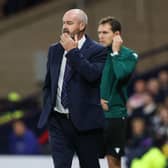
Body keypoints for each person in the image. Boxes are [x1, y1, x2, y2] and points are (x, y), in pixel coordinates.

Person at [38, 9, 107, 168]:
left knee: (89, 165)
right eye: (63, 22)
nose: (64, 26)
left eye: (69, 23)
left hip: (84, 123)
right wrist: (49, 108)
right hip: (58, 122)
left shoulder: (99, 51)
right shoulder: (54, 49)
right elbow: (49, 83)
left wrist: (72, 51)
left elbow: (91, 75)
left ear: (82, 25)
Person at [97, 16, 138, 168]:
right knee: (88, 159)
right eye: (99, 32)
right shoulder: (97, 54)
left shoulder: (130, 55)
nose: (100, 36)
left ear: (117, 34)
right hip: (95, 116)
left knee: (113, 162)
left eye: (105, 32)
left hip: (115, 116)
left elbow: (121, 74)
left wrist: (115, 52)